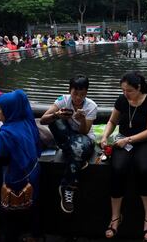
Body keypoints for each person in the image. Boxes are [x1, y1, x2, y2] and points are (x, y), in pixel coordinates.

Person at [100, 71, 147, 241]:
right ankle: (115, 217)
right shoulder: (121, 100)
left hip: (143, 141)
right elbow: (112, 121)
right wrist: (105, 137)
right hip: (122, 140)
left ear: (139, 87)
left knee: (145, 169)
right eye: (123, 90)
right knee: (117, 169)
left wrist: (129, 140)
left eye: (129, 91)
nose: (126, 94)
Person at [0, 89, 41, 241]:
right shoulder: (27, 122)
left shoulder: (5, 133)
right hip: (34, 174)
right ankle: (33, 235)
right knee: (32, 208)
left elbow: (3, 160)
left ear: (9, 110)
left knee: (11, 218)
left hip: (16, 180)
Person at [40, 75, 97, 213]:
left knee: (78, 147)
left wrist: (82, 119)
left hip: (85, 139)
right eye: (75, 93)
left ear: (86, 93)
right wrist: (57, 115)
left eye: (82, 94)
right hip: (67, 138)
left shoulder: (91, 106)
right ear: (69, 90)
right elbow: (43, 120)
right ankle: (78, 159)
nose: (78, 98)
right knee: (54, 122)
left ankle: (67, 186)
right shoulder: (62, 100)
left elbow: (85, 131)